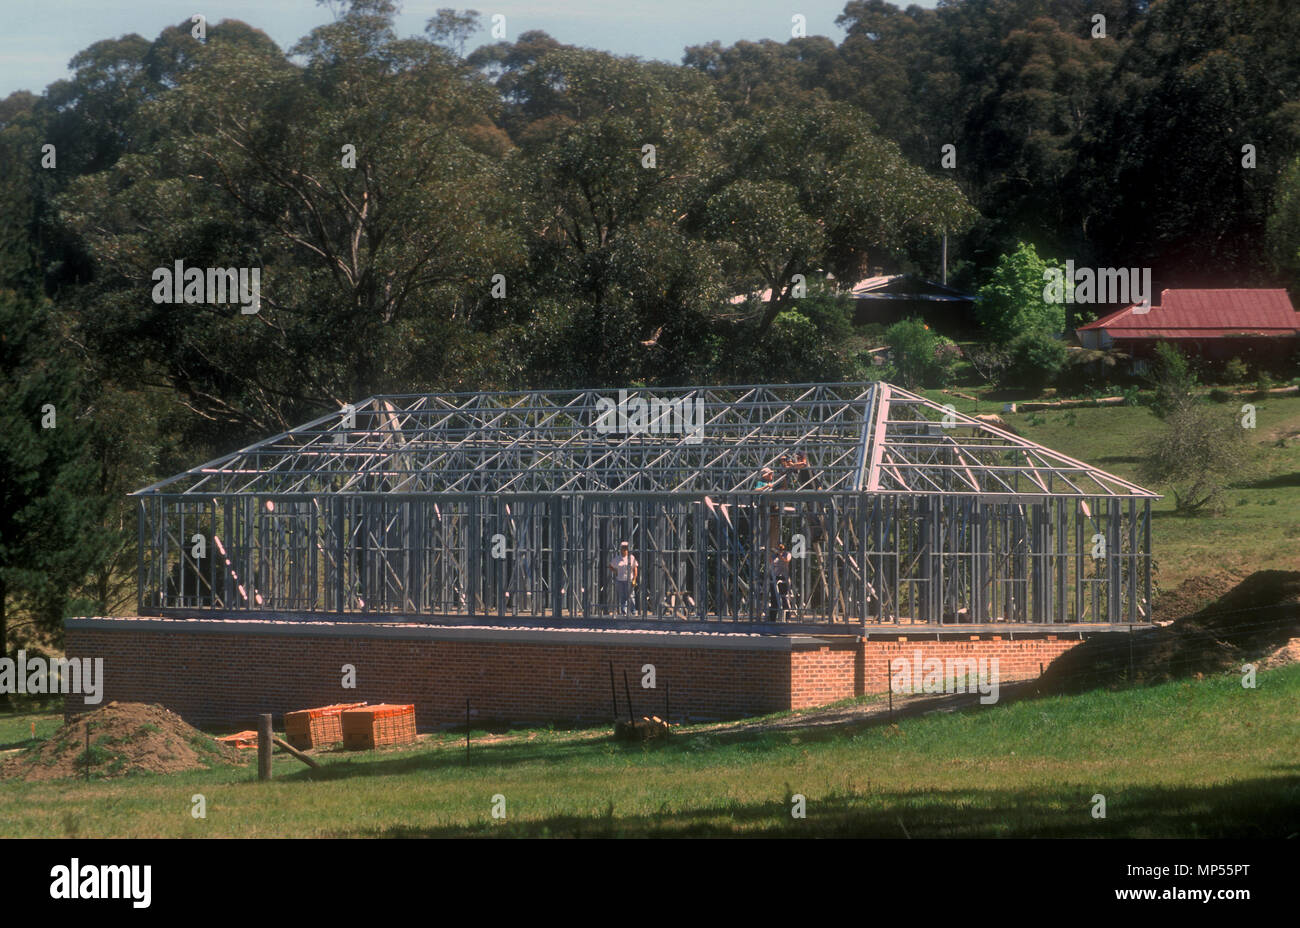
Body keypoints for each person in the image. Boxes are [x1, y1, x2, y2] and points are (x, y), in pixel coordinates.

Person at [607, 541, 639, 615]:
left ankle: (633, 611)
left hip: (629, 580)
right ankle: (623, 611)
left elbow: (635, 568)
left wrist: (634, 578)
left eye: (626, 548)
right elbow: (610, 566)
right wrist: (615, 571)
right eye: (623, 548)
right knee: (622, 596)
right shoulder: (617, 558)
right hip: (620, 580)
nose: (624, 549)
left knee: (631, 596)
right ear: (621, 549)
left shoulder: (631, 557)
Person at [768, 543, 793, 621]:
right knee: (774, 599)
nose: (779, 549)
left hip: (784, 578)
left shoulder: (787, 554)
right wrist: (773, 554)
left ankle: (787, 618)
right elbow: (770, 561)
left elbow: (787, 559)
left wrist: (780, 554)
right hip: (775, 577)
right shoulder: (774, 556)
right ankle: (772, 619)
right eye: (778, 548)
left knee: (785, 598)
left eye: (780, 548)